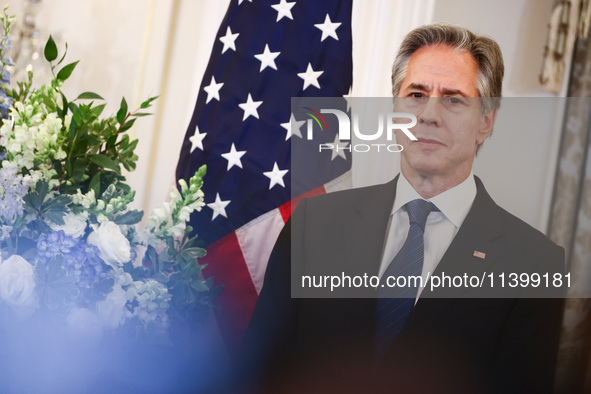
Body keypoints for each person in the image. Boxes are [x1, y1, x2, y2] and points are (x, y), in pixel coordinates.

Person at [240, 23, 565, 393]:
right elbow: (259, 370)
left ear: (486, 122)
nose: (428, 115)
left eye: (454, 99)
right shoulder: (313, 225)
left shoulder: (534, 263)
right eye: (416, 94)